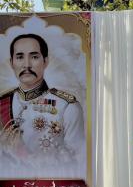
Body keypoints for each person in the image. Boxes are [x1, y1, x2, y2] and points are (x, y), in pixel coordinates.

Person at [0, 33, 84, 170]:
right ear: (12, 63)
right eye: (20, 57)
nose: (26, 65)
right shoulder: (1, 104)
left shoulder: (67, 106)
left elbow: (78, 162)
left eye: (34, 57)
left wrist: (24, 155)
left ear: (45, 61)